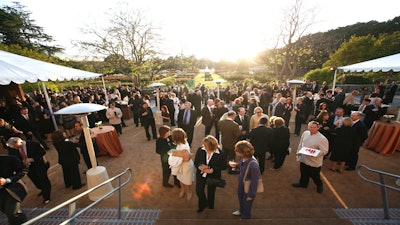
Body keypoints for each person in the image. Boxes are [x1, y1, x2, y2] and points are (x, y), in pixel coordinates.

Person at [6, 137, 52, 203]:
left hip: (39, 165)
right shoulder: (13, 149)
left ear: (21, 142)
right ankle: (42, 189)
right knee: (35, 180)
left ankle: (46, 196)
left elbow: (42, 152)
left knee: (43, 179)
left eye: (16, 147)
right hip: (28, 168)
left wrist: (31, 159)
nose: (15, 148)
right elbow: (12, 158)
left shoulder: (33, 144)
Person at [292, 121, 329, 194]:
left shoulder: (322, 138)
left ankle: (319, 185)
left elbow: (325, 151)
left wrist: (314, 154)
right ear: (308, 127)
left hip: (314, 162)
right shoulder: (305, 133)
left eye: (314, 127)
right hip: (304, 159)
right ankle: (303, 184)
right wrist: (298, 152)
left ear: (318, 128)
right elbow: (301, 144)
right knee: (303, 173)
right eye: (310, 127)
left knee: (315, 176)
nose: (312, 129)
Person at [194, 135, 226, 213]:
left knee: (211, 192)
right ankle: (203, 204)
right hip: (201, 174)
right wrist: (199, 166)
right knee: (198, 190)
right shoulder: (200, 150)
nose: (204, 147)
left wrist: (213, 170)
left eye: (206, 146)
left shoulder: (220, 153)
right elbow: (196, 162)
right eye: (204, 145)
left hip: (213, 175)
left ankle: (210, 205)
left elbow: (224, 166)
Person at [230, 140, 261, 220]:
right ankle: (241, 210)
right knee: (241, 197)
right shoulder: (243, 158)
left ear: (243, 152)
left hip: (248, 186)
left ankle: (246, 216)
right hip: (242, 182)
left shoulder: (254, 166)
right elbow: (242, 164)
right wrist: (236, 165)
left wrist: (251, 194)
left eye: (237, 150)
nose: (235, 151)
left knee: (247, 202)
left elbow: (255, 181)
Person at [0, 154, 28, 225]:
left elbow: (23, 170)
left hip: (11, 191)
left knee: (14, 215)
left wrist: (7, 180)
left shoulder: (9, 159)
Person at [170, 128, 195, 200]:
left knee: (186, 181)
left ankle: (189, 192)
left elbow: (187, 159)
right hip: (180, 165)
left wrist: (175, 157)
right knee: (180, 179)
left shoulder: (184, 147)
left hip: (186, 166)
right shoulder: (182, 142)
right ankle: (183, 190)